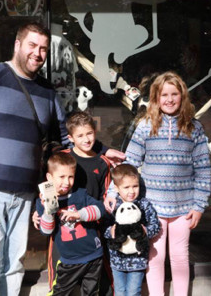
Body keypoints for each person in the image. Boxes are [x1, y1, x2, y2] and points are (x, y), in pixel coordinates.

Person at [0, 21, 125, 296]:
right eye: (32, 45)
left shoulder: (46, 91)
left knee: (14, 263)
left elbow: (65, 136)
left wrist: (100, 150)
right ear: (18, 45)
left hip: (25, 193)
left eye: (43, 48)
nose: (38, 53)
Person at [104, 71, 211, 296]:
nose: (170, 99)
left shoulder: (194, 128)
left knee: (180, 256)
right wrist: (114, 191)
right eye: (164, 95)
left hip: (184, 207)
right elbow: (130, 163)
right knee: (154, 256)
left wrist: (199, 205)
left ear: (182, 97)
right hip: (153, 207)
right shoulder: (145, 125)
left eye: (174, 94)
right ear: (155, 98)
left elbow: (202, 169)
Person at [34, 111, 113, 293]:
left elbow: (105, 200)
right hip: (61, 235)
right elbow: (44, 185)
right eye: (80, 135)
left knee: (94, 286)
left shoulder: (103, 163)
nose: (86, 139)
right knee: (61, 285)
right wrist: (39, 209)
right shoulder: (62, 157)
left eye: (89, 134)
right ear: (71, 138)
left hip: (90, 232)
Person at [36, 152, 106, 295]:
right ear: (49, 178)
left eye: (70, 177)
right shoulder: (42, 202)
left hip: (93, 256)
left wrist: (79, 214)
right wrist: (49, 210)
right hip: (68, 261)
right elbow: (46, 231)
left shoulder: (80, 194)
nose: (67, 182)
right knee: (59, 292)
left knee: (92, 292)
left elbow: (100, 210)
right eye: (61, 177)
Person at [104, 164, 160, 296]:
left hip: (137, 260)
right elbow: (104, 227)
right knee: (119, 291)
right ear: (116, 188)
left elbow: (155, 225)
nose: (131, 191)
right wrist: (111, 231)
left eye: (135, 186)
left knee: (133, 292)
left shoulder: (143, 204)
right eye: (126, 187)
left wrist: (145, 231)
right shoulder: (112, 205)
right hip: (117, 259)